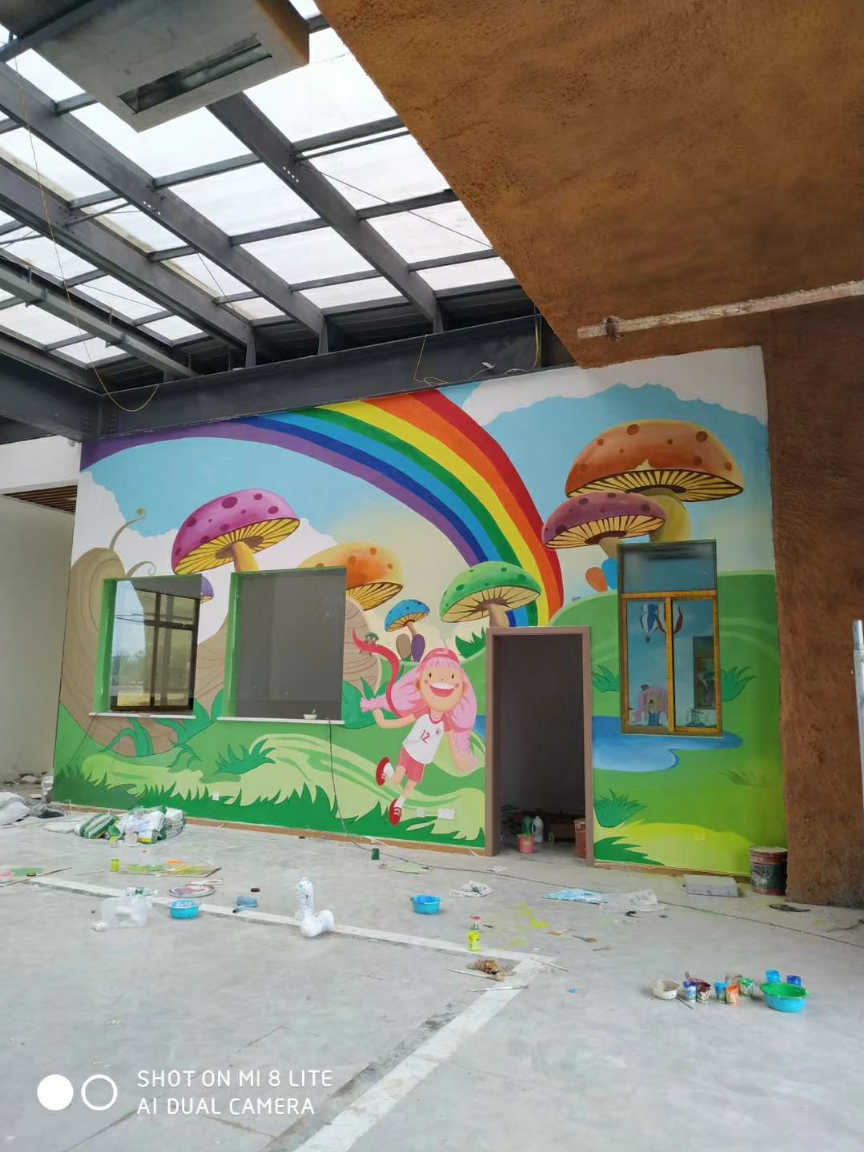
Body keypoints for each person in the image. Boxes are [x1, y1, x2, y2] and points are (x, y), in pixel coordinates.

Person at [354, 638, 477, 825]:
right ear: (419, 684)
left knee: (411, 785)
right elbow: (402, 722)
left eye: (452, 678)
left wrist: (462, 760)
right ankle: (386, 768)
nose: (442, 681)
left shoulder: (447, 722)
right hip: (409, 752)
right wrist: (382, 721)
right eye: (432, 676)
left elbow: (453, 744)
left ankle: (399, 804)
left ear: (462, 689)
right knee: (397, 780)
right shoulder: (422, 712)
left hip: (423, 759)